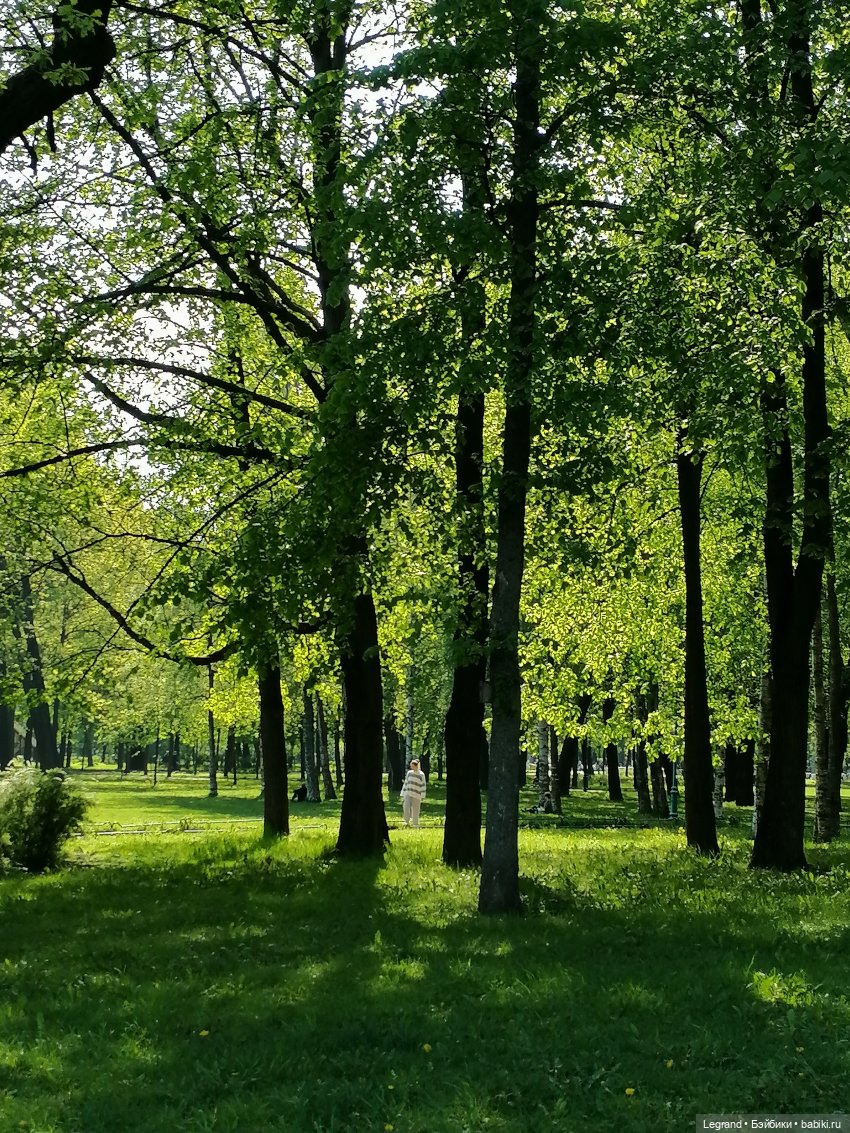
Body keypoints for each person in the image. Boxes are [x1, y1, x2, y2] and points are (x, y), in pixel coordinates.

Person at [400, 758, 426, 828]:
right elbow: (406, 782)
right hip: (408, 792)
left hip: (417, 794)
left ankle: (415, 823)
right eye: (411, 765)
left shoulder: (421, 774)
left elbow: (423, 785)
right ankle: (406, 821)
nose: (412, 766)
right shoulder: (409, 773)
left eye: (413, 765)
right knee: (406, 806)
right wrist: (403, 792)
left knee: (416, 809)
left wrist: (422, 795)